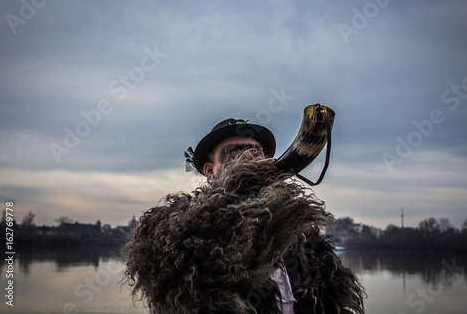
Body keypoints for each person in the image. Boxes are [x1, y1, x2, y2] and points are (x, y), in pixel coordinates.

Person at [123, 118, 365, 314]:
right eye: (235, 152)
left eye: (256, 152)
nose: (250, 157)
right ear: (209, 171)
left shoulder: (303, 240)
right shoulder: (174, 232)